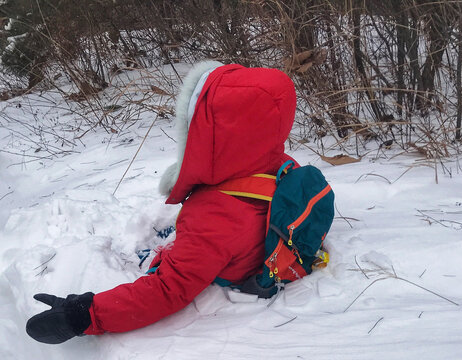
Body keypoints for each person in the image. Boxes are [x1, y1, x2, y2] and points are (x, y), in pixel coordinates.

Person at [26, 60, 297, 344]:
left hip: (223, 270)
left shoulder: (216, 218)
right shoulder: (275, 163)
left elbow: (167, 290)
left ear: (218, 135)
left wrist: (84, 314)